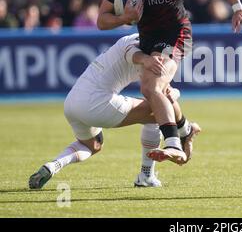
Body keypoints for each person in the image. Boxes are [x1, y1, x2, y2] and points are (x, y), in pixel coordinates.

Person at [97, 0, 242, 163]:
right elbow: (101, 20)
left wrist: (237, 7)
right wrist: (125, 18)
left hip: (176, 35)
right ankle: (186, 129)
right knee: (162, 93)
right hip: (148, 40)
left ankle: (173, 144)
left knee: (151, 86)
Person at [29, 33, 201, 190]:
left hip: (72, 102)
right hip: (96, 103)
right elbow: (162, 98)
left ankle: (53, 166)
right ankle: (147, 175)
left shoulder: (141, 42)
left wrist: (173, 92)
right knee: (158, 112)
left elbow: (163, 90)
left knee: (93, 145)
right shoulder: (150, 50)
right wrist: (182, 119)